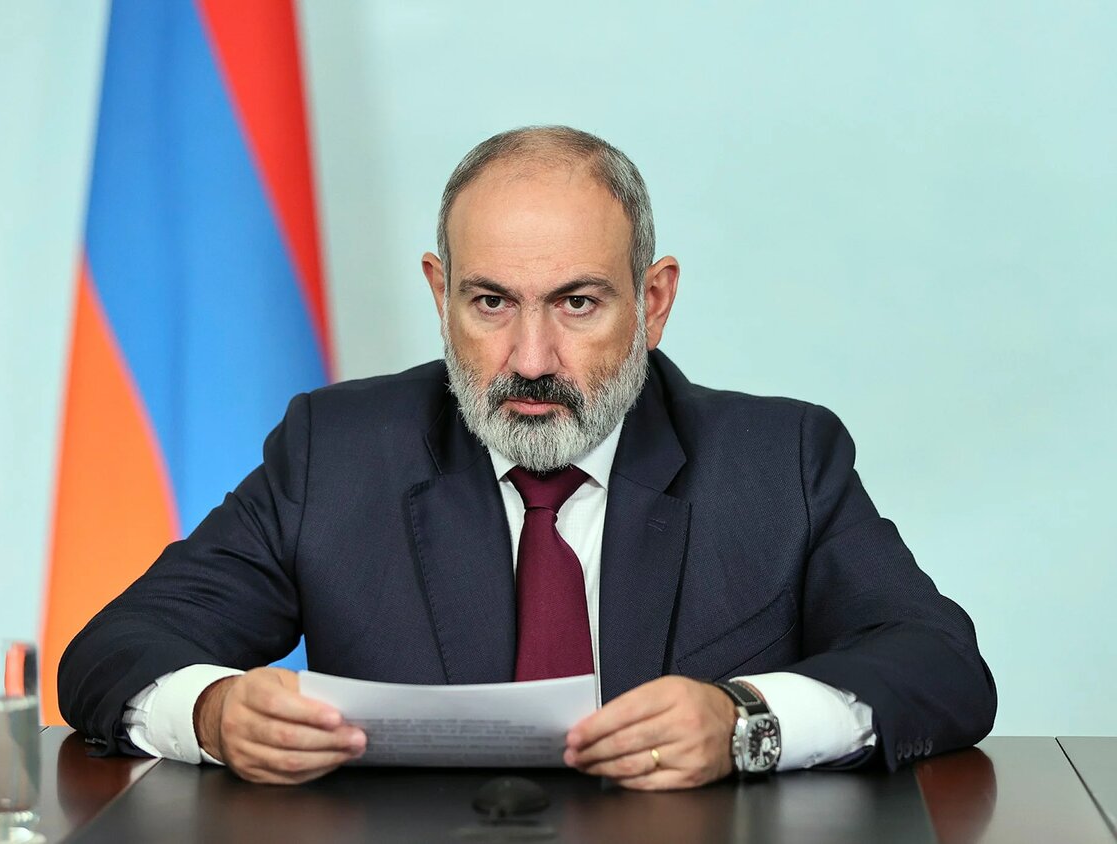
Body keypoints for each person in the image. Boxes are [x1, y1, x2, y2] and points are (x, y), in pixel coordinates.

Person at [59, 126, 996, 790]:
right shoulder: (336, 452)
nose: (533, 359)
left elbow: (942, 666)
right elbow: (113, 653)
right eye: (492, 303)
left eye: (579, 303)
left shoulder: (780, 459)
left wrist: (745, 722)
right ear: (440, 292)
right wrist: (218, 715)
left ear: (654, 301)